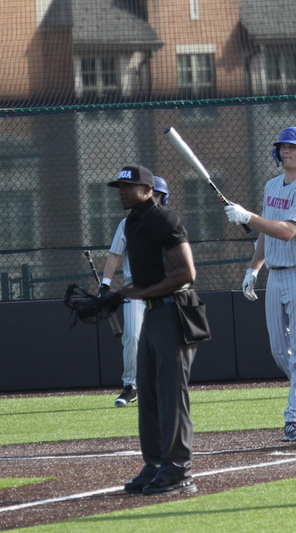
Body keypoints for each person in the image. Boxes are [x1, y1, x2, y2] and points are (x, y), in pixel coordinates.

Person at [224, 126, 296, 442]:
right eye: (282, 146)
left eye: (292, 146)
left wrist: (247, 217)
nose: (285, 151)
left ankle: (293, 420)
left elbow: (286, 231)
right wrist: (253, 268)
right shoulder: (272, 185)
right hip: (276, 274)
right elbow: (267, 231)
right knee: (280, 352)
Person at [107, 164, 199, 495]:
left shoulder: (163, 219)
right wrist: (117, 294)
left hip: (175, 311)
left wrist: (142, 293)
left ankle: (179, 471)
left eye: (129, 187)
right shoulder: (132, 223)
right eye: (119, 187)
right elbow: (146, 278)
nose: (121, 191)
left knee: (171, 395)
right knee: (147, 392)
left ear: (148, 191)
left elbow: (187, 273)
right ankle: (156, 464)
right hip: (153, 312)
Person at [100, 176, 171, 408]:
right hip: (136, 287)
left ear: (163, 198)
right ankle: (130, 385)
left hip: (165, 287)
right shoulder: (127, 223)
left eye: (158, 195)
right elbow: (114, 255)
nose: (153, 199)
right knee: (132, 335)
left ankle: (165, 385)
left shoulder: (169, 221)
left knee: (166, 338)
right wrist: (105, 285)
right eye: (151, 194)